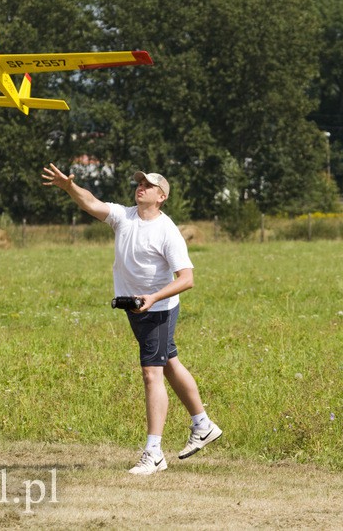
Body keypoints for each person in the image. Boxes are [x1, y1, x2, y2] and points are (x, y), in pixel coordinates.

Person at [42, 163, 222, 475]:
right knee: (168, 363)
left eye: (149, 185)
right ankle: (202, 424)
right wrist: (69, 187)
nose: (141, 187)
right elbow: (91, 202)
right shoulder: (124, 217)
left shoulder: (167, 231)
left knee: (151, 374)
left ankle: (154, 453)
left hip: (158, 310)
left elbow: (187, 278)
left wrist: (153, 298)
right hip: (136, 308)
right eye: (139, 183)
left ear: (161, 196)